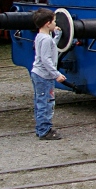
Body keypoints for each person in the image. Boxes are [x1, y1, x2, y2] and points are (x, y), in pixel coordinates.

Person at [31, 8, 67, 140]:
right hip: (44, 76)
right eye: (54, 21)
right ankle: (45, 130)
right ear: (48, 23)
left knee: (40, 101)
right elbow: (46, 59)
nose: (55, 24)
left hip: (37, 74)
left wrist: (57, 36)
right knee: (46, 102)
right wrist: (56, 74)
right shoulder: (46, 39)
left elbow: (51, 46)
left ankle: (40, 128)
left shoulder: (41, 37)